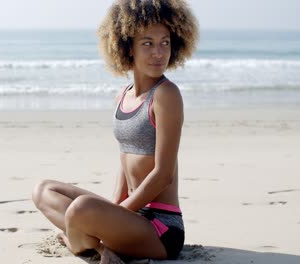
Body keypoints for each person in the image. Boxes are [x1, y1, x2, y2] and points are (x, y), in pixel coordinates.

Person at [32, 0, 199, 262]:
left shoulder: (167, 94)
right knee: (43, 190)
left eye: (165, 42)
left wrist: (115, 213)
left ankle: (83, 242)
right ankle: (96, 245)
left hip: (159, 227)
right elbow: (125, 162)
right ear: (127, 47)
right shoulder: (122, 96)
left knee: (80, 210)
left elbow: (163, 175)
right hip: (129, 216)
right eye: (148, 43)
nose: (158, 52)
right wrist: (109, 214)